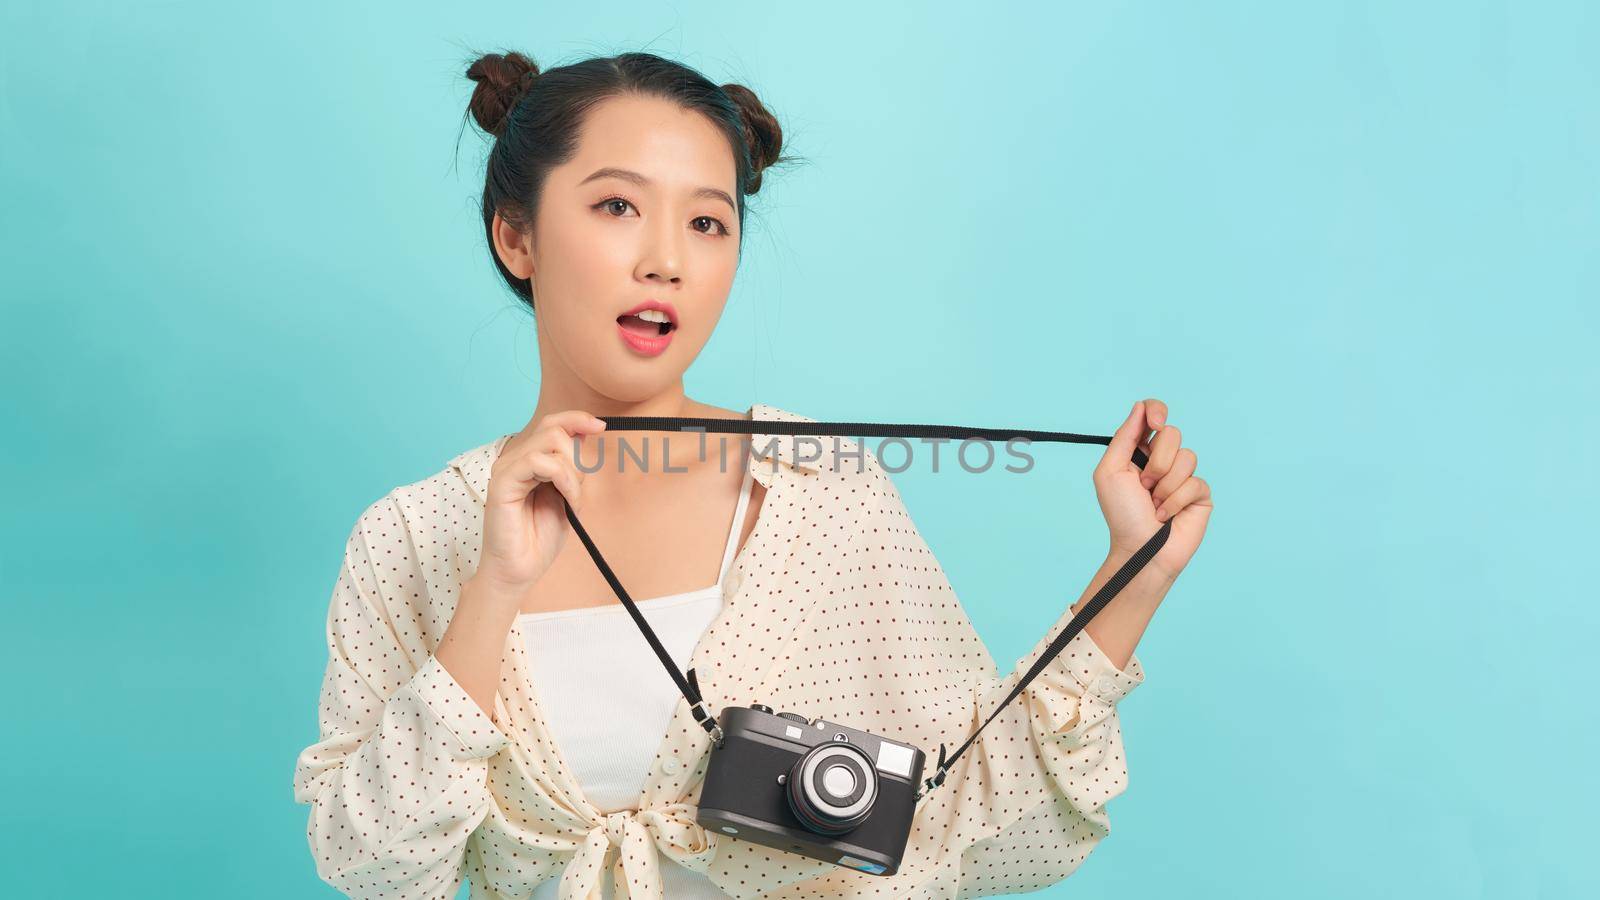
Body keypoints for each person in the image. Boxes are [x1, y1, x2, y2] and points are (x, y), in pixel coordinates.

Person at [290, 48, 1213, 900]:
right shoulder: (412, 538)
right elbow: (373, 868)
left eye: (706, 221)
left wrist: (1133, 573)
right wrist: (492, 590)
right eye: (617, 206)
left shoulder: (820, 491)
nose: (666, 261)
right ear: (516, 238)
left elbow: (970, 821)